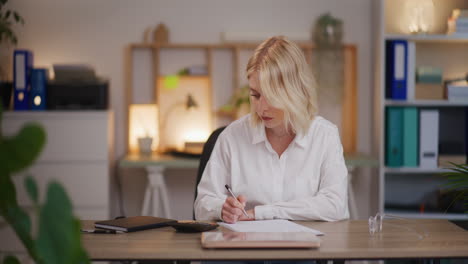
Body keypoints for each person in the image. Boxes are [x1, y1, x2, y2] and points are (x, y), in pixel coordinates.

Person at [194, 36, 349, 223]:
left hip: (309, 249)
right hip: (246, 248)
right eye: (255, 95)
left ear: (295, 91)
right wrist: (222, 209)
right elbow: (202, 204)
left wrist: (261, 213)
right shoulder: (232, 137)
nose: (261, 108)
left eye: (272, 96)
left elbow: (335, 206)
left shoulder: (325, 136)